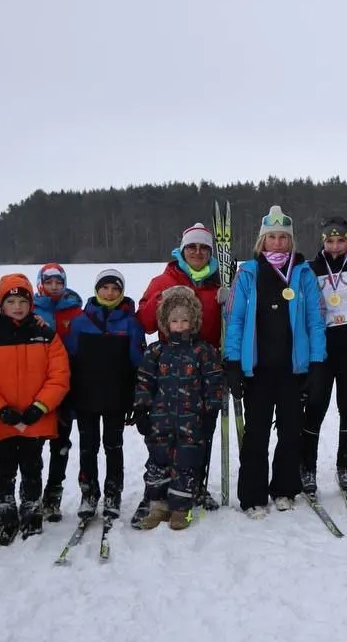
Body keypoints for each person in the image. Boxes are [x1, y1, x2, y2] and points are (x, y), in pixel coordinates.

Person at [223, 205, 327, 517]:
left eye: (283, 238)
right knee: (255, 434)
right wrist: (232, 361)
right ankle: (253, 495)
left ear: (290, 241)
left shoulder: (303, 272)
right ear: (262, 242)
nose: (278, 243)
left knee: (291, 431)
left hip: (292, 369)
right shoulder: (249, 273)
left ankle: (285, 488)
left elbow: (315, 319)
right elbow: (236, 319)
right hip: (257, 370)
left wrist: (317, 362)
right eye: (272, 238)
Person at [135, 222, 228, 522]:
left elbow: (236, 317)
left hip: (206, 365)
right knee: (164, 442)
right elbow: (145, 322)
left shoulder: (220, 279)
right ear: (182, 249)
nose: (197, 252)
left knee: (200, 437)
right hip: (170, 369)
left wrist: (231, 299)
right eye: (192, 247)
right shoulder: (164, 279)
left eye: (203, 247)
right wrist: (160, 301)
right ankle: (158, 496)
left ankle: (193, 488)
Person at [0, 274, 71, 544]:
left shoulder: (45, 334)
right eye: (11, 301)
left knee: (32, 467)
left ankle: (31, 514)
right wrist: (0, 410)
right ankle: (6, 518)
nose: (17, 307)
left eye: (22, 301)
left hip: (34, 419)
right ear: (1, 304)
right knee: (3, 470)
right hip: (1, 421)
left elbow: (59, 376)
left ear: (31, 304)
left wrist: (40, 407)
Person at [62, 268, 144, 520]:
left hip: (116, 397)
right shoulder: (80, 322)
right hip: (85, 396)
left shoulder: (130, 323)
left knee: (113, 446)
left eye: (115, 288)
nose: (110, 292)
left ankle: (112, 493)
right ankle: (89, 494)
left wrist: (135, 397)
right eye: (105, 287)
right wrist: (68, 397)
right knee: (88, 447)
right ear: (96, 290)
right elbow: (68, 360)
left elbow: (137, 363)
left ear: (122, 292)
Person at [302, 216, 347, 493]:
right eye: (330, 241)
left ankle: (346, 466)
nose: (335, 246)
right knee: (315, 405)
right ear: (323, 242)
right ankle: (307, 467)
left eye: (340, 240)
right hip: (321, 351)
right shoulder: (311, 268)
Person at [34, 262, 85, 523]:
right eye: (49, 282)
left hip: (66, 386)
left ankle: (53, 497)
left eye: (59, 282)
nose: (54, 287)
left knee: (61, 444)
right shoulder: (28, 308)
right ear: (41, 283)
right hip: (35, 389)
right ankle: (31, 498)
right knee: (33, 446)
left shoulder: (75, 310)